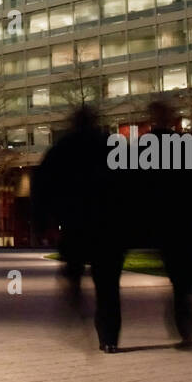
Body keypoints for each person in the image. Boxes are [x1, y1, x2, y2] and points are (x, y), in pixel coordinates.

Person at [32, 103, 128, 352]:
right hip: (109, 227)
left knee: (73, 272)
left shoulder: (63, 149)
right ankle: (108, 338)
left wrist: (43, 224)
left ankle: (75, 305)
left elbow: (41, 187)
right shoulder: (111, 145)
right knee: (108, 286)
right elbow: (131, 187)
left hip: (77, 224)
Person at [139, 99, 192, 348]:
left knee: (178, 278)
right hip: (186, 220)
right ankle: (188, 326)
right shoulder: (185, 145)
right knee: (182, 278)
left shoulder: (144, 147)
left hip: (166, 222)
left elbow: (138, 187)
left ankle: (186, 328)